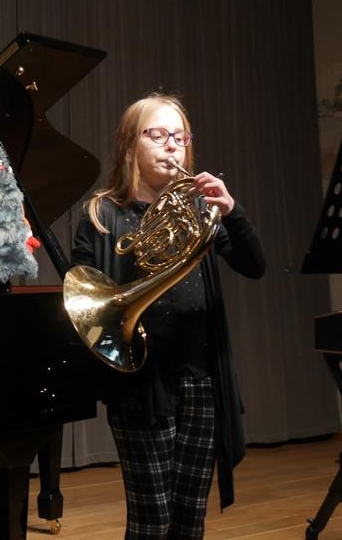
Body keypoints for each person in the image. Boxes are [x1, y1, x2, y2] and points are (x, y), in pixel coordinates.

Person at [70, 93, 266, 540]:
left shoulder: (200, 210)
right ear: (129, 145)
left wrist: (232, 212)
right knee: (151, 522)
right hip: (141, 384)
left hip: (201, 378)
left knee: (189, 518)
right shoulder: (103, 215)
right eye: (157, 135)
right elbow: (88, 299)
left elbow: (255, 266)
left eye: (180, 136)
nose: (171, 145)